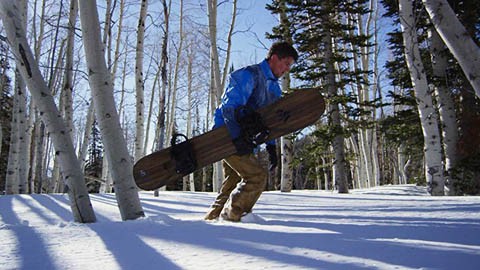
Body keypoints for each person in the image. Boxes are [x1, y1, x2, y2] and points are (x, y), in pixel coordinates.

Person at [204, 41, 299, 221]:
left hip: (245, 139)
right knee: (256, 176)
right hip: (225, 134)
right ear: (274, 58)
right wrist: (236, 137)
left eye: (290, 66)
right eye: (286, 64)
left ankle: (211, 220)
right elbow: (229, 108)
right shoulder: (248, 75)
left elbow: (269, 120)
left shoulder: (274, 88)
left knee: (232, 180)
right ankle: (232, 216)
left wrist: (271, 147)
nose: (287, 69)